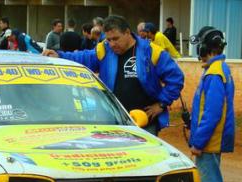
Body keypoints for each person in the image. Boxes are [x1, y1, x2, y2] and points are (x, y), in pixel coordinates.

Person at [43, 15, 184, 136]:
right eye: (108, 39)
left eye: (116, 39)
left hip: (145, 122)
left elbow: (176, 79)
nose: (112, 44)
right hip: (112, 120)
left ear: (127, 32)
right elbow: (84, 57)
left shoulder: (151, 52)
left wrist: (161, 104)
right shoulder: (104, 49)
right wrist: (60, 55)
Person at [189, 26, 234, 182]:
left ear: (207, 47)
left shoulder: (215, 73)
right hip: (210, 139)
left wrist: (198, 142)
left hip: (209, 141)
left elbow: (213, 113)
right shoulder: (216, 70)